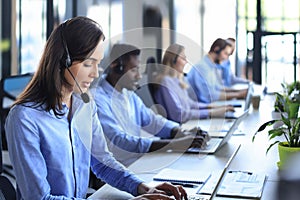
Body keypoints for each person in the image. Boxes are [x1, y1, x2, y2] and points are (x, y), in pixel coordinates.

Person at [5, 16, 188, 200]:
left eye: (98, 64)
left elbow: (102, 162)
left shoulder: (85, 104)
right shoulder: (24, 118)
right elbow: (39, 198)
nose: (95, 73)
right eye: (88, 63)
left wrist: (142, 188)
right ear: (63, 60)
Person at [92, 43, 209, 166]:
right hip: (121, 167)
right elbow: (118, 140)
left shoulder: (128, 94)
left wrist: (180, 132)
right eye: (133, 70)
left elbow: (152, 120)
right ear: (116, 67)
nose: (139, 76)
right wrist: (173, 144)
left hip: (139, 160)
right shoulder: (98, 99)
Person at [153, 43, 235, 124]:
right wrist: (210, 112)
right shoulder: (166, 82)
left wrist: (211, 107)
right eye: (183, 58)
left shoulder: (177, 80)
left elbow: (190, 104)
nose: (186, 62)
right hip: (180, 127)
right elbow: (179, 114)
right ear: (173, 60)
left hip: (186, 123)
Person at [187, 38, 248, 103]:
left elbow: (218, 88)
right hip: (198, 108)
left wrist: (239, 91)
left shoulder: (211, 66)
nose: (226, 58)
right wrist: (238, 95)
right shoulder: (202, 67)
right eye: (225, 53)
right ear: (216, 49)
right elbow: (209, 96)